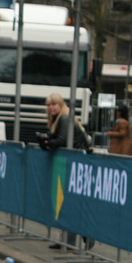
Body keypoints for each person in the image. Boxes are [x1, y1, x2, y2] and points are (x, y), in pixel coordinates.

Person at [38, 93, 93, 250]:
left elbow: (61, 140)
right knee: (67, 204)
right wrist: (46, 140)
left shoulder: (64, 118)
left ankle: (81, 237)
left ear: (61, 105)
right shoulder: (59, 119)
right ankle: (67, 241)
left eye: (54, 104)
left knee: (70, 204)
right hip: (72, 165)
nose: (51, 107)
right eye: (49, 105)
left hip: (75, 165)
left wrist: (47, 142)